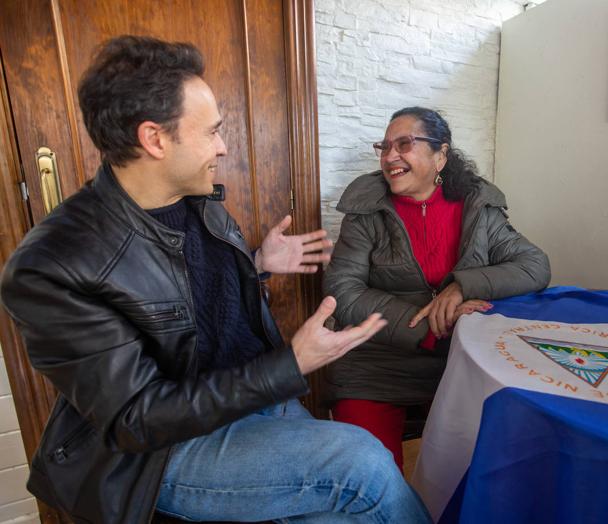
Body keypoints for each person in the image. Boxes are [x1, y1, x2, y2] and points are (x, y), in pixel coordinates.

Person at [0, 36, 432, 524]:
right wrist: (293, 362)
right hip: (162, 451)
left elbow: (181, 300)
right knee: (361, 461)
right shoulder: (51, 265)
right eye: (211, 132)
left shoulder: (194, 200)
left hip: (256, 402)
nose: (223, 147)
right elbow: (136, 419)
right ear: (155, 139)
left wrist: (254, 264)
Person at [322, 107, 551, 470]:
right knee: (369, 476)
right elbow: (343, 291)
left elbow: (535, 265)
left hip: (459, 364)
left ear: (441, 155)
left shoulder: (477, 206)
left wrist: (461, 287)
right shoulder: (366, 210)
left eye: (404, 144)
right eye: (384, 146)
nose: (390, 156)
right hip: (376, 367)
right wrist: (431, 323)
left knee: (489, 468)